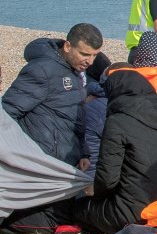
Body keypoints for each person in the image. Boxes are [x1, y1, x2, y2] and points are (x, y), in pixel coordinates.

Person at [76, 70, 157, 234]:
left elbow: (108, 179)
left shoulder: (118, 121)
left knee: (78, 207)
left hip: (133, 213)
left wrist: (95, 193)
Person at [3, 23, 103, 169]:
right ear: (68, 47)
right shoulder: (42, 70)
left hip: (68, 162)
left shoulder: (75, 71)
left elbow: (75, 119)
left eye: (95, 55)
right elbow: (7, 113)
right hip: (41, 163)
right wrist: (21, 154)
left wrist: (84, 153)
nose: (91, 61)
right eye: (85, 54)